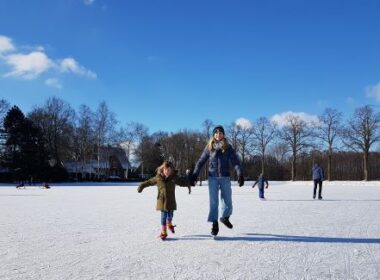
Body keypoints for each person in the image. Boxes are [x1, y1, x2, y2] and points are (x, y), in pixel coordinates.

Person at [189, 125, 244, 237]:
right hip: (212, 178)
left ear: (223, 135)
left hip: (225, 177)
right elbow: (200, 161)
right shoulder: (209, 147)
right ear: (214, 135)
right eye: (216, 133)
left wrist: (240, 174)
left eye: (220, 133)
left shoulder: (228, 148)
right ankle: (215, 224)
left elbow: (236, 162)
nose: (218, 135)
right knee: (214, 202)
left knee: (228, 200)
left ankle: (225, 217)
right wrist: (195, 174)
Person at [137, 161, 189, 240]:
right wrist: (141, 186)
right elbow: (149, 182)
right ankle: (163, 232)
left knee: (170, 215)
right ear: (162, 169)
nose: (167, 172)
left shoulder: (174, 178)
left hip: (171, 201)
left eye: (169, 170)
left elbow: (182, 182)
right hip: (161, 201)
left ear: (172, 170)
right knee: (163, 217)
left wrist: (189, 183)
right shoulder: (158, 178)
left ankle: (169, 223)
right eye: (166, 170)